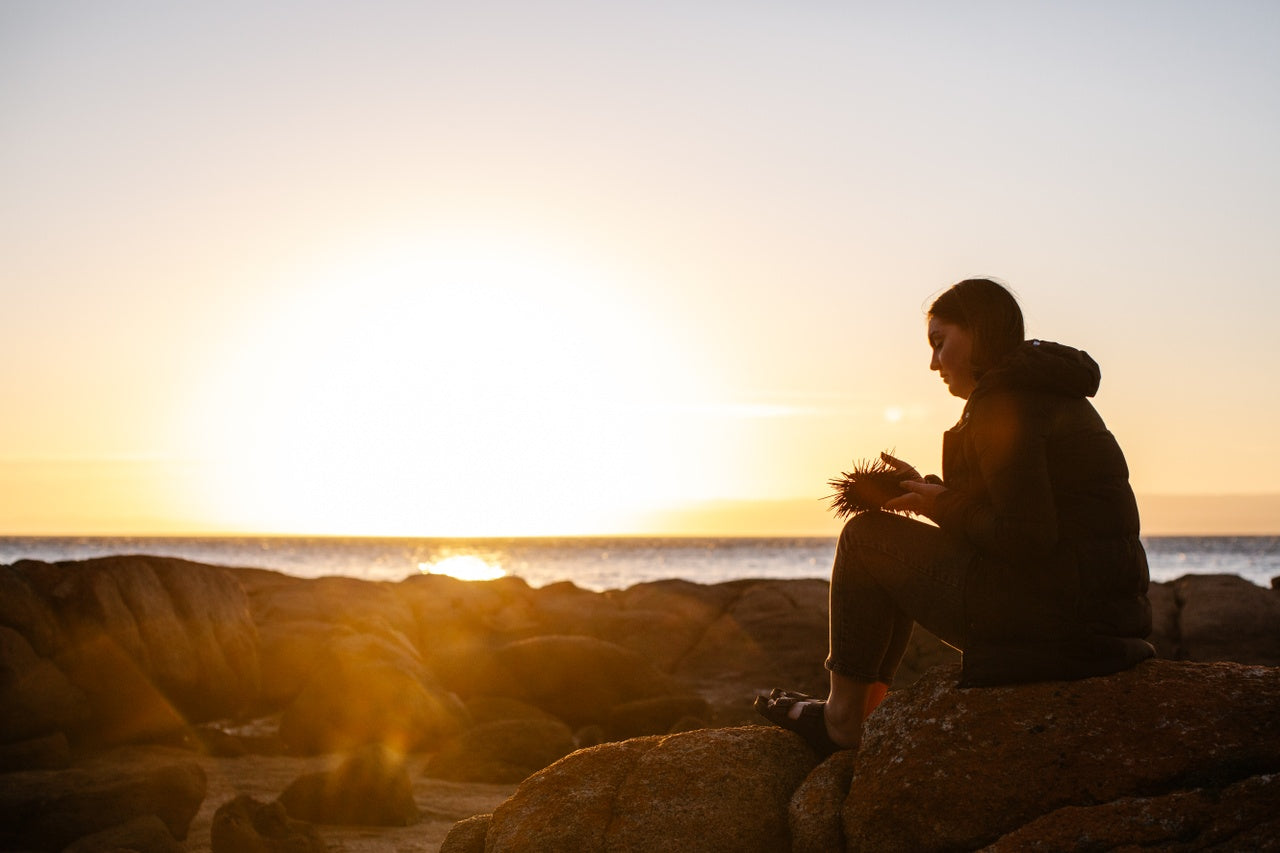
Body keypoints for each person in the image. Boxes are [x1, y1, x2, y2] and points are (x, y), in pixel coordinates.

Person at [756, 278, 1153, 756]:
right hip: (1095, 621)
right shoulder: (1042, 392)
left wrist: (940, 503)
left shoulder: (1002, 404)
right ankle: (861, 711)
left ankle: (843, 720)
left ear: (979, 332)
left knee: (864, 538)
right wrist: (931, 493)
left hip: (1053, 627)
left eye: (939, 343)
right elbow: (1019, 520)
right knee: (883, 545)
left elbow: (1026, 537)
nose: (932, 363)